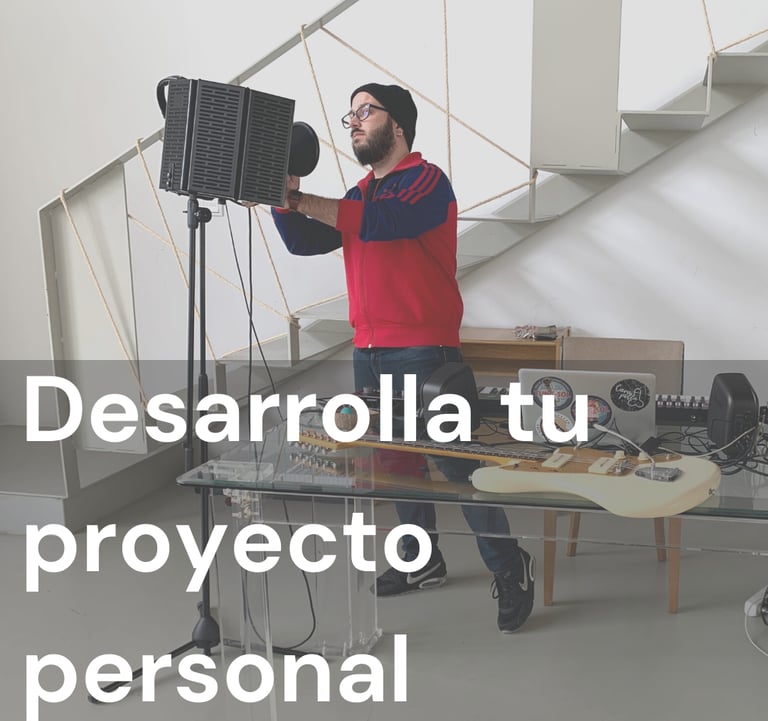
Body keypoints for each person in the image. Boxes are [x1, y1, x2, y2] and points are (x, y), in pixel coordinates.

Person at [271, 82, 534, 632]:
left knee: (457, 464)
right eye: (350, 115)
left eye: (365, 111)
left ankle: (510, 566)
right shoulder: (358, 194)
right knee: (396, 463)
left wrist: (299, 199)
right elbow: (304, 242)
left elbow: (381, 223)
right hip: (368, 348)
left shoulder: (427, 181)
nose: (354, 122)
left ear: (398, 124)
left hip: (424, 349)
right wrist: (282, 196)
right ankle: (422, 561)